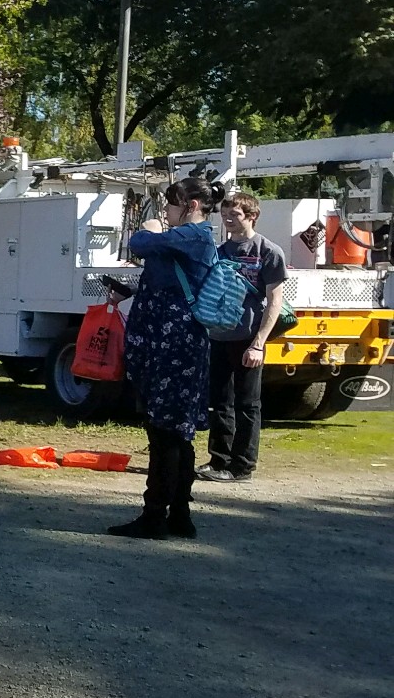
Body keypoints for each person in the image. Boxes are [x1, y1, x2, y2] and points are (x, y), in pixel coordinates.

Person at [111, 176, 223, 538]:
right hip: (171, 342)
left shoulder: (194, 236)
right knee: (175, 433)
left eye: (171, 204)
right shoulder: (188, 240)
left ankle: (156, 514)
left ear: (191, 205)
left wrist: (149, 227)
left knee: (166, 432)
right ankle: (178, 515)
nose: (166, 211)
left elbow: (139, 242)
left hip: (173, 345)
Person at [199, 191, 288, 483]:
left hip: (248, 337)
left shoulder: (268, 252)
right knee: (220, 401)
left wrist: (259, 343)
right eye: (225, 213)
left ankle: (242, 466)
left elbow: (274, 301)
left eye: (235, 214)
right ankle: (219, 460)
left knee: (247, 403)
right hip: (218, 335)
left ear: (252, 216)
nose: (228, 219)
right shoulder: (220, 251)